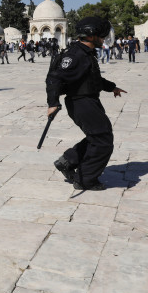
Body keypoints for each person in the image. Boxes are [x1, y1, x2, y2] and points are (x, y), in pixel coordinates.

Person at [47, 17, 126, 191]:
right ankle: (85, 178)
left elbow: (93, 78)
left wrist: (111, 87)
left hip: (89, 100)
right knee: (103, 140)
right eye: (101, 35)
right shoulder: (76, 55)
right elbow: (54, 78)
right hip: (80, 102)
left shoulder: (84, 52)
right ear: (91, 36)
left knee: (98, 136)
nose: (103, 38)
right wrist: (52, 103)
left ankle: (68, 161)